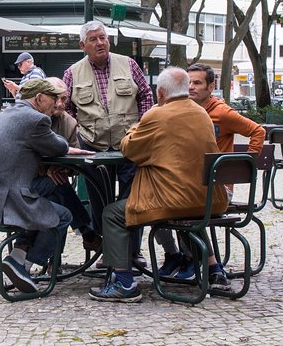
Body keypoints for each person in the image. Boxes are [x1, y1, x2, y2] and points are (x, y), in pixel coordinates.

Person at [88, 67, 228, 303]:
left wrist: (135, 126)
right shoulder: (202, 113)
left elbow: (129, 148)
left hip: (171, 201)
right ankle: (214, 270)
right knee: (190, 208)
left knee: (112, 213)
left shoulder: (157, 116)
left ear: (160, 93)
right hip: (208, 200)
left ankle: (124, 282)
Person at [0, 79, 92, 293]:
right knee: (63, 216)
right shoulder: (36, 120)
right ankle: (23, 264)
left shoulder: (5, 115)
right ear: (39, 98)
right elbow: (59, 145)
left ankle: (20, 253)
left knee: (55, 184)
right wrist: (66, 148)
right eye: (53, 99)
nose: (57, 104)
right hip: (8, 201)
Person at [155, 63, 265, 278]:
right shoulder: (181, 109)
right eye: (189, 83)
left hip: (217, 187)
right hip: (190, 182)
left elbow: (257, 131)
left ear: (211, 86)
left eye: (198, 83)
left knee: (178, 204)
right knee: (153, 200)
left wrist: (246, 164)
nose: (192, 87)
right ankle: (176, 255)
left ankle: (195, 260)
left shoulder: (221, 112)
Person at [62, 20, 154, 267]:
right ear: (83, 45)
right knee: (99, 199)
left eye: (102, 37)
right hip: (93, 146)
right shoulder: (72, 72)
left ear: (109, 39)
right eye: (93, 39)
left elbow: (146, 95)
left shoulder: (129, 64)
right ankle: (108, 251)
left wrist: (141, 127)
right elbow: (66, 109)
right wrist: (79, 129)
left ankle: (133, 252)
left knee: (132, 199)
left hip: (129, 145)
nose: (100, 42)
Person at [32, 77, 102, 253]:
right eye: (56, 98)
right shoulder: (32, 120)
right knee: (58, 186)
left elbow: (75, 163)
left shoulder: (69, 123)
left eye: (64, 99)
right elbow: (24, 158)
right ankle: (87, 232)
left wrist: (62, 168)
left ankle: (48, 260)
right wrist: (47, 170)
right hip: (28, 186)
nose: (60, 104)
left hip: (52, 187)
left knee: (58, 193)